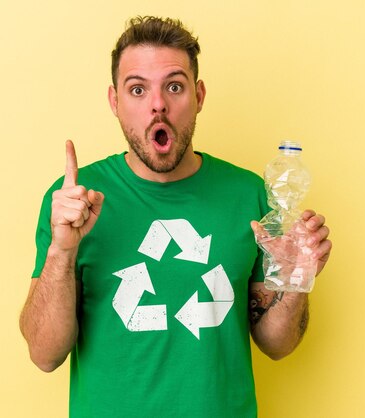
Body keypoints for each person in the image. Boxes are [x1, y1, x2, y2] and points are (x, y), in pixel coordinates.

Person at [19, 16, 332, 417]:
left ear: (198, 95)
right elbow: (45, 354)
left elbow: (278, 345)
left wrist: (296, 281)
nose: (158, 104)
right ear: (115, 101)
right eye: (137, 89)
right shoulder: (73, 201)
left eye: (174, 86)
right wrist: (62, 250)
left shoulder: (248, 194)